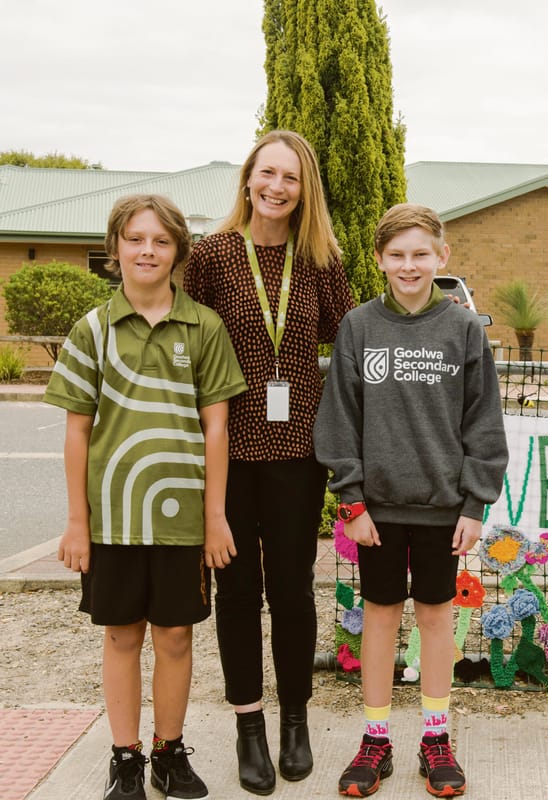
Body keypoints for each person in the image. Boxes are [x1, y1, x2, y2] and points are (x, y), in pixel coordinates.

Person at [45, 193, 247, 800]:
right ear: (115, 249)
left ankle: (168, 752)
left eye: (160, 241)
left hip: (183, 518)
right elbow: (77, 429)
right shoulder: (93, 329)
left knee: (176, 636)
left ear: (178, 251)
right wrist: (76, 523)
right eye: (135, 239)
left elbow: (217, 426)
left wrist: (216, 518)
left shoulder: (204, 326)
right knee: (120, 635)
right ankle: (125, 756)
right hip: (112, 516)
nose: (147, 250)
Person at [313, 203, 509, 797]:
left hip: (442, 510)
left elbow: (484, 423)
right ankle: (375, 738)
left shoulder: (463, 330)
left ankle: (435, 734)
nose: (408, 264)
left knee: (435, 617)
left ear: (441, 257)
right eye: (396, 255)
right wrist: (351, 500)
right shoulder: (359, 326)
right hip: (376, 511)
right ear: (379, 260)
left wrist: (475, 504)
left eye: (420, 253)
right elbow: (340, 418)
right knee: (378, 615)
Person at [182, 129, 355, 795]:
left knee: (291, 589)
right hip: (228, 452)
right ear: (248, 179)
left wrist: (425, 316)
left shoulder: (320, 261)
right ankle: (247, 726)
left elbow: (352, 336)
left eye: (291, 177)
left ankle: (294, 722)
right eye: (267, 174)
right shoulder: (213, 256)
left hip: (297, 454)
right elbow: (185, 340)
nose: (277, 187)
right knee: (236, 592)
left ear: (304, 188)